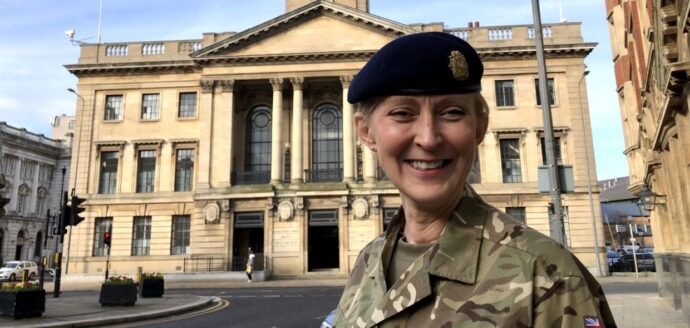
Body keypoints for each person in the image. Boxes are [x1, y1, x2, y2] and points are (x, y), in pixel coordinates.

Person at [333, 32, 616, 327]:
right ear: (365, 132)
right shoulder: (368, 261)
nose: (428, 139)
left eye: (452, 113)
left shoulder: (548, 276)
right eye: (403, 113)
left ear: (480, 128)